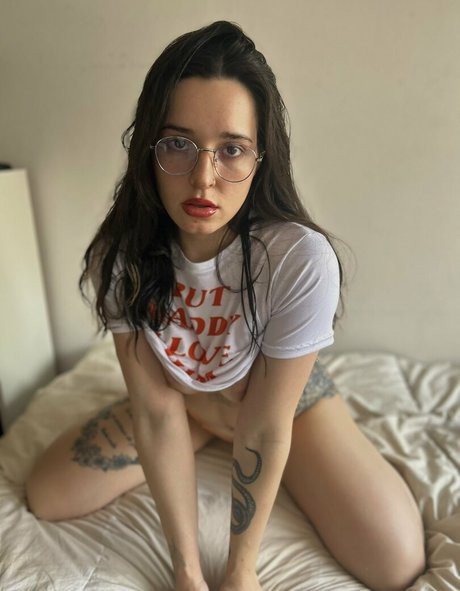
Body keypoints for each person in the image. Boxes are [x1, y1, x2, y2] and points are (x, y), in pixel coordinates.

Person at [26, 21, 425, 591]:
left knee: (395, 561)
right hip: (182, 399)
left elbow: (264, 425)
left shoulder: (298, 258)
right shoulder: (122, 256)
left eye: (231, 149)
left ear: (261, 157)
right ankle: (205, 425)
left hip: (278, 403)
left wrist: (241, 570)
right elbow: (155, 411)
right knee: (47, 493)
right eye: (178, 144)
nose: (203, 178)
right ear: (148, 147)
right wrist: (187, 573)